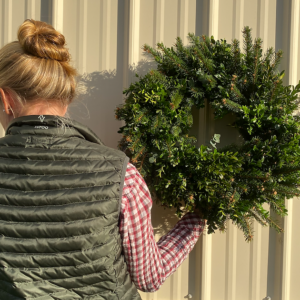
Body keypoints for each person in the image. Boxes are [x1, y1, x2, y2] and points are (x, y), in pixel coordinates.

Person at [0, 19, 205, 300]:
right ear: (68, 96)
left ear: (6, 98)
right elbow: (149, 277)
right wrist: (196, 219)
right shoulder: (121, 175)